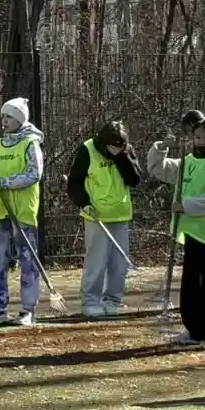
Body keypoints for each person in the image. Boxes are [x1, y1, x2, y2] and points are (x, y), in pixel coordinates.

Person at [148, 113, 205, 351]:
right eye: (197, 137)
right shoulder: (189, 161)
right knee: (191, 285)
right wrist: (161, 149)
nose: (200, 141)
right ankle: (195, 330)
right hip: (191, 231)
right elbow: (160, 169)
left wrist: (185, 206)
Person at [68, 120, 143, 317]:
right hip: (96, 215)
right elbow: (74, 182)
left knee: (119, 263)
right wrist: (84, 203)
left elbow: (135, 179)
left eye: (119, 145)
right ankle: (90, 301)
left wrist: (121, 157)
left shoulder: (125, 150)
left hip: (120, 214)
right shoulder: (87, 150)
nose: (115, 149)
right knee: (97, 261)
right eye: (111, 146)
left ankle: (112, 300)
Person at [0, 97, 44, 326]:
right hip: (0, 209)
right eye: (2, 116)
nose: (4, 120)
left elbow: (34, 174)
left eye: (9, 116)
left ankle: (27, 310)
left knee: (27, 259)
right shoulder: (0, 144)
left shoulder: (30, 143)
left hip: (22, 210)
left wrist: (6, 183)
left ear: (20, 118)